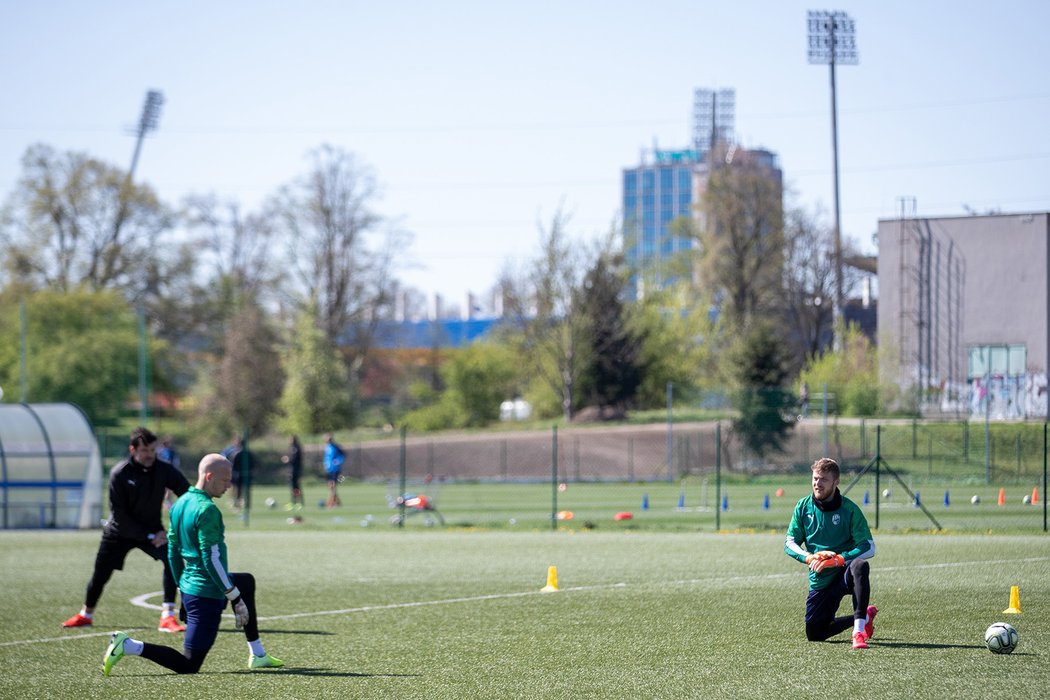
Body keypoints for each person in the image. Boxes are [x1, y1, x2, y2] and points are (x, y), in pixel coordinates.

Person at [102, 453, 283, 676]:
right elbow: (211, 559)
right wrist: (234, 597)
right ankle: (128, 645)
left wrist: (180, 588)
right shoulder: (207, 510)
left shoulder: (180, 504)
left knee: (247, 581)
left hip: (192, 586)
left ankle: (258, 655)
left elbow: (173, 552)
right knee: (189, 665)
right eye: (226, 480)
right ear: (209, 476)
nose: (229, 485)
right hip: (206, 593)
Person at [62, 426, 190, 633]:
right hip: (119, 533)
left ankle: (167, 616)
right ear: (133, 450)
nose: (149, 455)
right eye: (144, 451)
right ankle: (86, 614)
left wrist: (171, 531)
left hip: (153, 530)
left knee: (171, 559)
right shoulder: (119, 473)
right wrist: (150, 535)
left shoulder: (164, 469)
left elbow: (187, 495)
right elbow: (120, 516)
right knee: (100, 573)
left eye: (152, 451)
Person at [784, 457, 878, 650]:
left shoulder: (849, 509)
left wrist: (838, 559)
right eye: (815, 478)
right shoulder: (803, 507)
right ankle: (863, 616)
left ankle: (858, 632)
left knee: (860, 565)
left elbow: (869, 546)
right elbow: (789, 542)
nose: (817, 484)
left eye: (823, 479)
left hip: (844, 571)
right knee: (815, 634)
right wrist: (809, 557)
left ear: (836, 482)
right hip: (821, 579)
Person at [221, 436, 250, 509]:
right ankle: (232, 500)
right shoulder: (230, 450)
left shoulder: (245, 451)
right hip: (232, 471)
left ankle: (239, 500)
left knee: (241, 486)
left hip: (242, 471)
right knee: (232, 486)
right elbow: (222, 457)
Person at [281, 435, 304, 510]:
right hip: (294, 470)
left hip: (294, 470)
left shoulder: (295, 448)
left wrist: (287, 459)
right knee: (294, 487)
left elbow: (294, 459)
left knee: (295, 486)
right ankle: (296, 501)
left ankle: (297, 501)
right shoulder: (294, 448)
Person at [323, 433, 345, 508]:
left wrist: (338, 461)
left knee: (333, 485)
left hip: (335, 469)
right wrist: (325, 464)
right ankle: (337, 502)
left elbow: (342, 455)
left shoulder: (335, 447)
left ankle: (331, 502)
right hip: (329, 469)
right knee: (330, 486)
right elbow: (327, 458)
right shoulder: (327, 447)